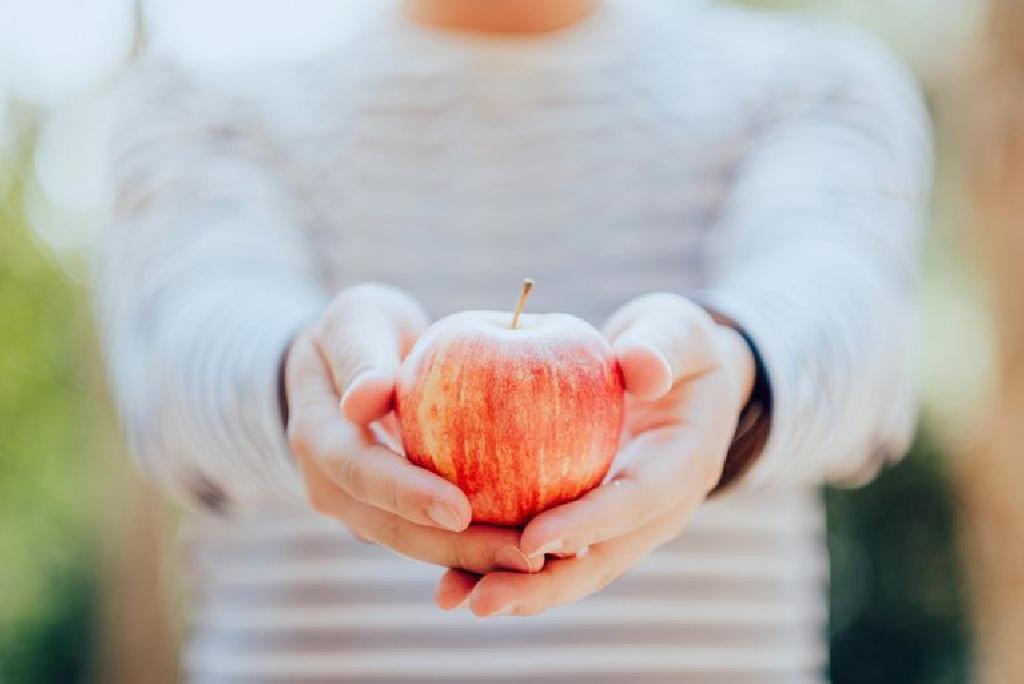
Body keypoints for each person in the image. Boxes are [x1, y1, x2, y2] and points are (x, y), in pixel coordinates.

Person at [95, 0, 932, 681]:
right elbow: (181, 365)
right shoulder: (204, 104)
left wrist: (738, 375)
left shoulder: (812, 84)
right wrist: (300, 383)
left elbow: (857, 333)